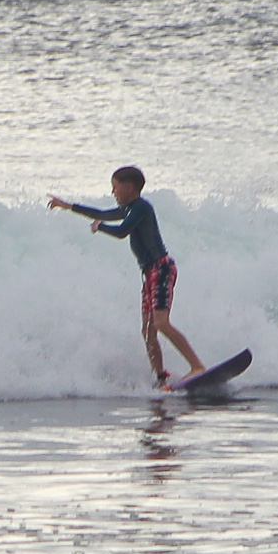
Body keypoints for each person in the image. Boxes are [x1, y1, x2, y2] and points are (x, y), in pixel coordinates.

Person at [48, 166, 206, 389]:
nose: (113, 192)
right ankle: (161, 378)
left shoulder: (142, 207)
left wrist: (100, 227)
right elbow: (102, 213)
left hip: (161, 268)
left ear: (129, 187)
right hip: (148, 273)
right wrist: (67, 206)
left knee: (161, 323)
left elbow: (122, 231)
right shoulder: (130, 208)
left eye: (115, 188)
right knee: (148, 330)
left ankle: (197, 366)